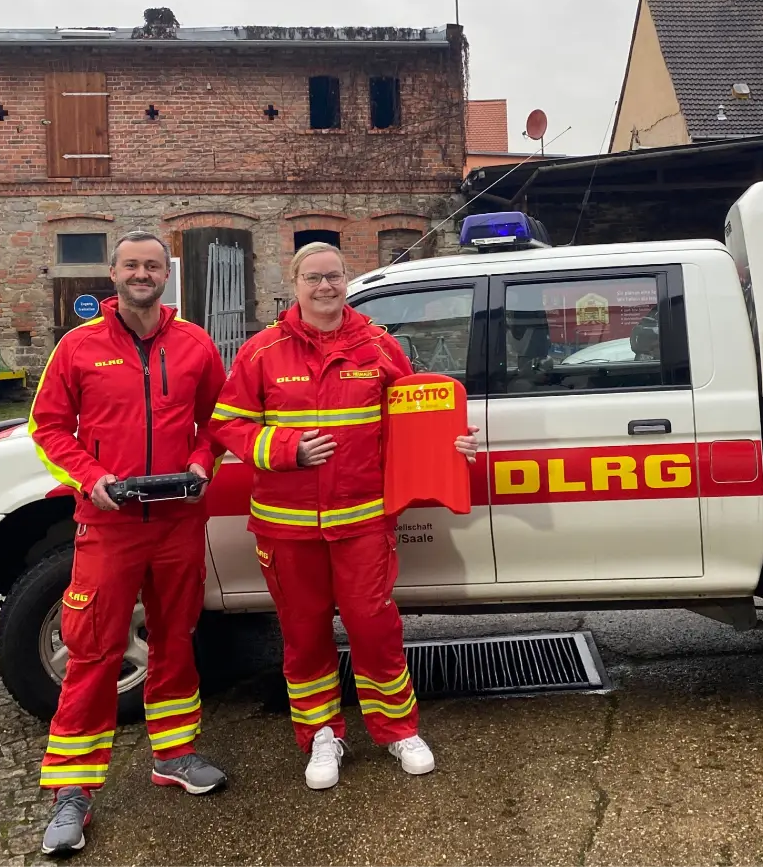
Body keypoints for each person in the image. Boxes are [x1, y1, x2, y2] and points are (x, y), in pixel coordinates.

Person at [210, 241, 476, 790]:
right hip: (287, 525)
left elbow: (413, 417)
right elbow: (227, 424)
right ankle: (321, 736)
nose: (325, 286)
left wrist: (451, 442)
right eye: (313, 277)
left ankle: (398, 729)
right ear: (294, 283)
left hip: (363, 518)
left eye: (333, 276)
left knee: (374, 628)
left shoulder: (379, 346)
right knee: (304, 635)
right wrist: (285, 449)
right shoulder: (261, 351)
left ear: (346, 280)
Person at [28, 230, 229, 857]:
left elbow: (218, 423)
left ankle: (174, 755)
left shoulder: (195, 343)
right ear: (113, 274)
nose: (142, 274)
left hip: (177, 522)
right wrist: (91, 477)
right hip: (109, 524)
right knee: (94, 651)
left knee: (175, 639)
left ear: (166, 274)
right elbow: (47, 428)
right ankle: (72, 790)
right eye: (131, 265)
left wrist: (201, 464)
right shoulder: (77, 346)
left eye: (152, 266)